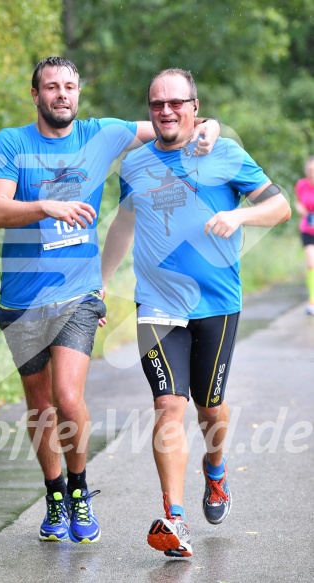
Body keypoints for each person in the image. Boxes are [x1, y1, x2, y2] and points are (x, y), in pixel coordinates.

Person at [0, 57, 220, 546]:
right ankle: (54, 494)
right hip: (22, 298)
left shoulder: (102, 133)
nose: (62, 94)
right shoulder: (12, 142)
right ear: (36, 95)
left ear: (79, 93)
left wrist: (211, 124)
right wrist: (46, 206)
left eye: (69, 86)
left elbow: (169, 121)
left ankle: (80, 489)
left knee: (69, 398)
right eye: (52, 87)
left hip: (79, 294)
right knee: (41, 405)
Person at [101, 68, 291, 557]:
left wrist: (239, 215)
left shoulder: (224, 152)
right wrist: (100, 283)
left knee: (210, 408)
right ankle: (174, 519)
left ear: (194, 106)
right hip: (158, 303)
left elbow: (280, 207)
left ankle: (216, 468)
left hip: (216, 303)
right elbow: (124, 226)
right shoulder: (136, 164)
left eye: (175, 102)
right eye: (156, 103)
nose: (165, 111)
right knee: (168, 404)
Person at [294, 156, 314, 315]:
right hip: (308, 229)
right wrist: (300, 208)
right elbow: (298, 201)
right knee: (311, 263)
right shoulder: (301, 185)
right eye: (309, 170)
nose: (312, 173)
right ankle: (312, 300)